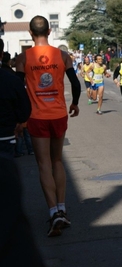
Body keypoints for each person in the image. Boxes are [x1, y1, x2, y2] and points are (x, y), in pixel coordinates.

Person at [15, 15, 81, 236]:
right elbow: (75, 82)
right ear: (50, 31)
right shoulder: (62, 55)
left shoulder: (22, 58)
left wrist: (20, 118)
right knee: (57, 161)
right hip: (58, 114)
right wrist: (75, 103)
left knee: (43, 164)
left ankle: (53, 212)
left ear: (30, 33)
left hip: (37, 116)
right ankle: (63, 208)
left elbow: (18, 90)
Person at [0, 39, 31, 159]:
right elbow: (24, 109)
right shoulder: (12, 80)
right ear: (1, 54)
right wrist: (18, 122)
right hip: (5, 135)